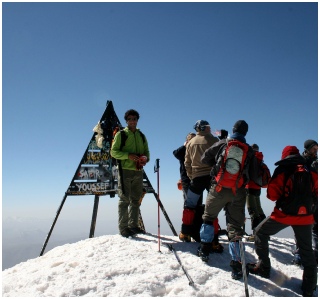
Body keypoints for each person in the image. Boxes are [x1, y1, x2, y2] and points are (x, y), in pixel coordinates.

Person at [247, 146, 318, 297]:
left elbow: (272, 195)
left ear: (284, 155)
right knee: (307, 252)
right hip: (306, 218)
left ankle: (263, 267)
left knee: (260, 232)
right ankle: (309, 287)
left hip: (283, 215)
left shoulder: (283, 169)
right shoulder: (310, 170)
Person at [197, 120, 259, 280]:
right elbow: (253, 175)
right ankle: (237, 265)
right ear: (245, 133)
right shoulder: (249, 151)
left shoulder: (223, 143)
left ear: (233, 129)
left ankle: (204, 250)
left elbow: (204, 158)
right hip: (237, 192)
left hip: (217, 188)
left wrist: (217, 169)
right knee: (235, 227)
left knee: (208, 218)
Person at [179, 120, 220, 248]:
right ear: (204, 128)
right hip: (212, 177)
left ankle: (185, 233)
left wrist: (192, 176)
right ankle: (212, 238)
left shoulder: (190, 143)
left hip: (196, 178)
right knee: (212, 208)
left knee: (189, 205)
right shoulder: (214, 140)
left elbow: (187, 163)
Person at [111, 109, 150, 238]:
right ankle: (123, 228)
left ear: (137, 120)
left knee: (135, 199)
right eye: (130, 119)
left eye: (134, 119)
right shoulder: (121, 135)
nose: (132, 121)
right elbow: (113, 152)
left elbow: (147, 152)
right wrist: (128, 156)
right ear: (126, 121)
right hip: (125, 170)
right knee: (124, 199)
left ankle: (134, 226)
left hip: (138, 171)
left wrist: (145, 159)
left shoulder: (142, 136)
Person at [292, 139, 318, 266]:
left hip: (310, 199)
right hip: (307, 200)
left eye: (317, 149)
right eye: (314, 149)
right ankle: (300, 254)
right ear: (307, 148)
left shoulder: (306, 161)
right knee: (304, 227)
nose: (316, 151)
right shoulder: (305, 162)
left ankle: (311, 254)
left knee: (313, 228)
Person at [245, 144, 266, 236]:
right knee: (258, 208)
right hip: (258, 187)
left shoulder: (250, 158)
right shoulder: (260, 159)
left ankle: (257, 234)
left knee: (252, 210)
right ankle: (264, 231)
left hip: (249, 186)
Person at [173, 132, 196, 201]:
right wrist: (184, 146)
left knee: (197, 201)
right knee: (188, 200)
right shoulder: (184, 150)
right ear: (187, 141)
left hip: (197, 178)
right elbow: (176, 153)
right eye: (190, 139)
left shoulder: (197, 150)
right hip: (186, 179)